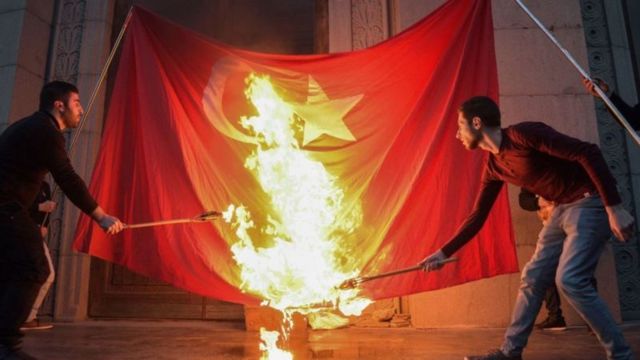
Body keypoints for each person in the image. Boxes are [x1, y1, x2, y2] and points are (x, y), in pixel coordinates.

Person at [420, 96, 635, 360]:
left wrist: (614, 207)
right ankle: (510, 353)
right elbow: (478, 216)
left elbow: (587, 151)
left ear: (477, 123)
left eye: (460, 125)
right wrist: (443, 253)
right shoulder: (494, 166)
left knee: (570, 280)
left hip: (589, 201)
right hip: (559, 209)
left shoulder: (524, 135)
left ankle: (621, 355)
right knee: (532, 278)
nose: (457, 134)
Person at [0, 81, 124, 360]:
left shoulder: (33, 128)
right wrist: (101, 217)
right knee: (35, 268)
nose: (81, 110)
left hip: (9, 209)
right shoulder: (45, 131)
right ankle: (6, 346)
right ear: (59, 105)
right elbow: (67, 178)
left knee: (10, 273)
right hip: (4, 210)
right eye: (77, 103)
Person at [20, 181, 55, 331]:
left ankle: (25, 317)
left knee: (45, 274)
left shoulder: (44, 185)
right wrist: (39, 207)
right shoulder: (17, 180)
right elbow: (10, 206)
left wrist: (44, 226)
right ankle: (23, 318)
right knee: (44, 274)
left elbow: (44, 215)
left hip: (35, 233)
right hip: (19, 232)